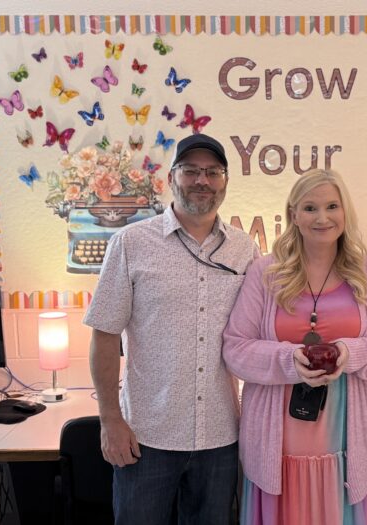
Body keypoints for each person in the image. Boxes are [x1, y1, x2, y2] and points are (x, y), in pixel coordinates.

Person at [84, 133, 259, 525]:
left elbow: (255, 338)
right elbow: (105, 335)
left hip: (220, 437)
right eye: (191, 171)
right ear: (171, 177)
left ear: (225, 182)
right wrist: (110, 419)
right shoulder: (130, 244)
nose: (202, 181)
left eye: (213, 172)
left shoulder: (245, 250)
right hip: (146, 436)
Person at [222, 168, 367, 525]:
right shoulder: (265, 274)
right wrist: (288, 359)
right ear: (293, 214)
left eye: (332, 206)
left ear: (345, 212)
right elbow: (235, 350)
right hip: (276, 452)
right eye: (310, 208)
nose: (322, 217)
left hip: (349, 449)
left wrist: (349, 354)